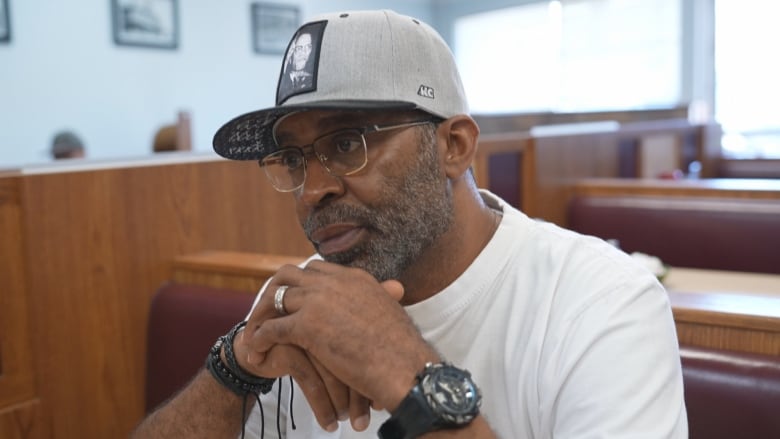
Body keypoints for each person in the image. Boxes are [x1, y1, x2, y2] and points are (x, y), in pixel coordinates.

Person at [133, 9, 687, 439]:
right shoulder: (301, 299)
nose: (312, 190)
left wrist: (408, 374)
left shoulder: (601, 302)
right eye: (296, 160)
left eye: (347, 142)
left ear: (454, 146)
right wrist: (235, 368)